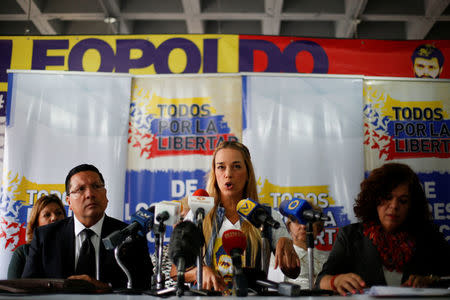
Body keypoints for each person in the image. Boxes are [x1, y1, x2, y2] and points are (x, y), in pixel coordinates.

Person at [172, 140, 300, 293]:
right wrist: (199, 272)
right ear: (214, 173)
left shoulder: (266, 215)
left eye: (236, 166)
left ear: (247, 174)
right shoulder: (198, 212)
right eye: (221, 167)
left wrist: (287, 251)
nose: (228, 174)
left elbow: (293, 272)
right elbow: (175, 272)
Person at [316, 163, 450, 296]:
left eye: (403, 200)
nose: (394, 206)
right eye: (387, 198)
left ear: (412, 206)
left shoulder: (429, 236)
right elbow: (320, 282)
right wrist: (335, 281)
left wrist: (432, 280)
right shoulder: (350, 235)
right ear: (374, 199)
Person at [22, 164, 153, 290]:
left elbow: (144, 285)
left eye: (96, 186)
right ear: (69, 202)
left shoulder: (130, 235)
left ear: (106, 194)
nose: (90, 194)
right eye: (81, 189)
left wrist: (107, 288)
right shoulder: (45, 236)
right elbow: (29, 286)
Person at [7, 194, 67, 279]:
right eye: (47, 215)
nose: (54, 218)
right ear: (36, 223)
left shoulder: (73, 249)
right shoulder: (22, 252)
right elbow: (12, 289)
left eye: (58, 213)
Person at [278, 205, 329, 289]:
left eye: (309, 221)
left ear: (318, 227)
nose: (303, 226)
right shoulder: (279, 256)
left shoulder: (329, 259)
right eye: (298, 221)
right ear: (289, 226)